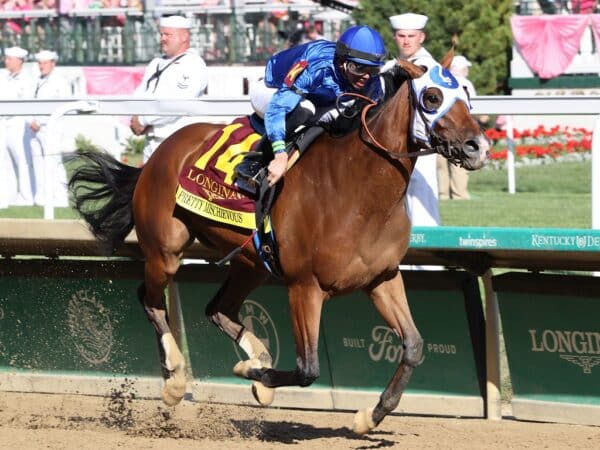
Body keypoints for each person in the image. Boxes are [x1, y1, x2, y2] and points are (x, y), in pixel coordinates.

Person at [240, 24, 386, 191]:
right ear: (341, 61)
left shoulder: (372, 80)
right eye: (358, 68)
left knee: (348, 113)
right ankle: (254, 162)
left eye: (373, 69)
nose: (366, 76)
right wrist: (280, 155)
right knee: (305, 108)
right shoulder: (316, 64)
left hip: (315, 97)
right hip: (272, 91)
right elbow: (278, 107)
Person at [383, 13, 440, 227]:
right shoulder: (390, 66)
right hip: (393, 143)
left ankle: (427, 258)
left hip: (420, 142)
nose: (406, 41)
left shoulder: (429, 68)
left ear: (421, 37)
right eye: (401, 35)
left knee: (422, 201)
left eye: (411, 36)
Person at [131, 15, 208, 162]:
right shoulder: (156, 63)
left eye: (168, 35)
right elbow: (141, 93)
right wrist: (136, 117)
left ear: (184, 37)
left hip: (178, 142)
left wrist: (143, 120)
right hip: (151, 140)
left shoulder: (193, 64)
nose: (163, 39)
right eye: (161, 34)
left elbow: (178, 103)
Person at [26, 50, 72, 206]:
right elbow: (27, 102)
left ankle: (60, 199)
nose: (41, 66)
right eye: (40, 63)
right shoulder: (36, 81)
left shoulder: (60, 82)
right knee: (38, 163)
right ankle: (41, 198)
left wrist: (41, 122)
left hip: (51, 128)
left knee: (54, 163)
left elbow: (62, 106)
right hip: (34, 129)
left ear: (53, 63)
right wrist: (31, 120)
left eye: (45, 63)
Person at [436, 55, 474, 200]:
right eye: (466, 68)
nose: (467, 71)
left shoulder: (443, 82)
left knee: (441, 164)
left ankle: (443, 194)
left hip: (443, 129)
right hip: (461, 131)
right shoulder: (465, 84)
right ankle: (459, 194)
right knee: (459, 162)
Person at [0, 46, 34, 207]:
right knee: (5, 161)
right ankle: (9, 196)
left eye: (9, 59)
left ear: (19, 61)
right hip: (3, 122)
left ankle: (27, 197)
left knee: (22, 160)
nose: (5, 61)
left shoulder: (27, 79)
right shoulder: (4, 77)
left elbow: (27, 103)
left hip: (19, 123)